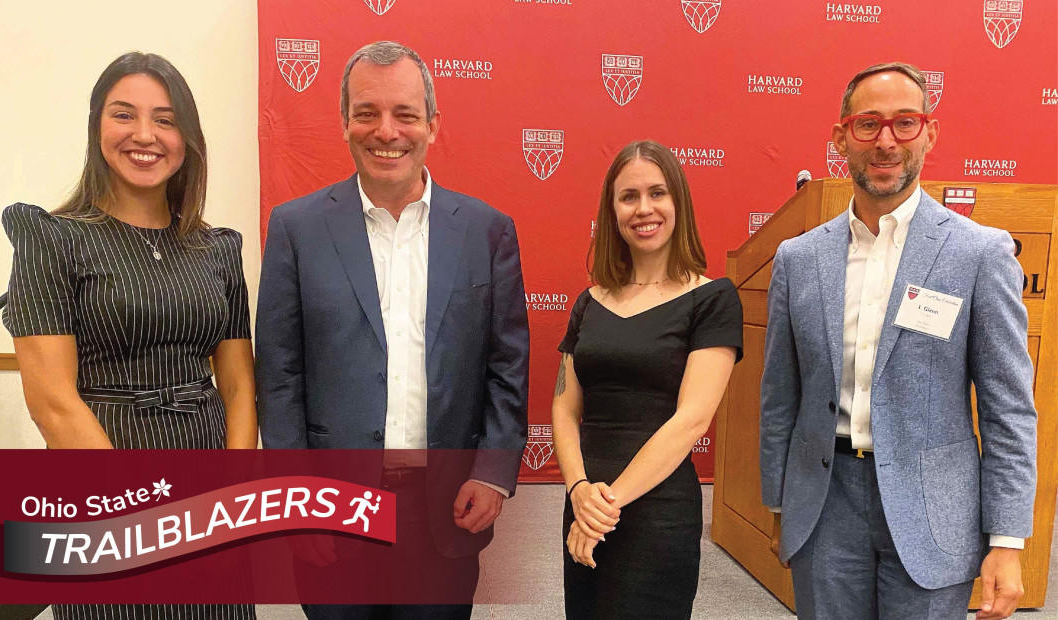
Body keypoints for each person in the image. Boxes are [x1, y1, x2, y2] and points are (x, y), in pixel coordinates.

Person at [255, 40, 529, 619]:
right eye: (367, 113)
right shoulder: (295, 228)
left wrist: (495, 471)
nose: (386, 131)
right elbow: (278, 377)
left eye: (405, 114)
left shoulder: (488, 231)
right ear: (344, 123)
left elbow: (507, 365)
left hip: (445, 509)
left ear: (431, 123)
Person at [759, 62, 1037, 620]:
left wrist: (1007, 539)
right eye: (868, 124)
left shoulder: (980, 255)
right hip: (824, 506)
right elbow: (780, 398)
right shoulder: (798, 258)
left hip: (934, 514)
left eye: (905, 123)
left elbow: (1010, 410)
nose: (886, 142)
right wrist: (778, 503)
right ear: (841, 136)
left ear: (929, 133)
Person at [2, 52, 257, 620]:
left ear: (187, 137)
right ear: (97, 127)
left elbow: (239, 387)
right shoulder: (51, 238)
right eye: (124, 115)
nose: (145, 135)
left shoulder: (217, 249)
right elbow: (52, 403)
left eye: (166, 120)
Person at [551, 140, 743, 619]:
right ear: (612, 211)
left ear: (677, 201)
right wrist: (579, 491)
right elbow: (564, 406)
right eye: (628, 196)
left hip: (656, 513)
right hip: (585, 504)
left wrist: (604, 507)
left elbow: (692, 419)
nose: (644, 208)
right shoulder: (588, 302)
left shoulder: (713, 299)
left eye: (657, 193)